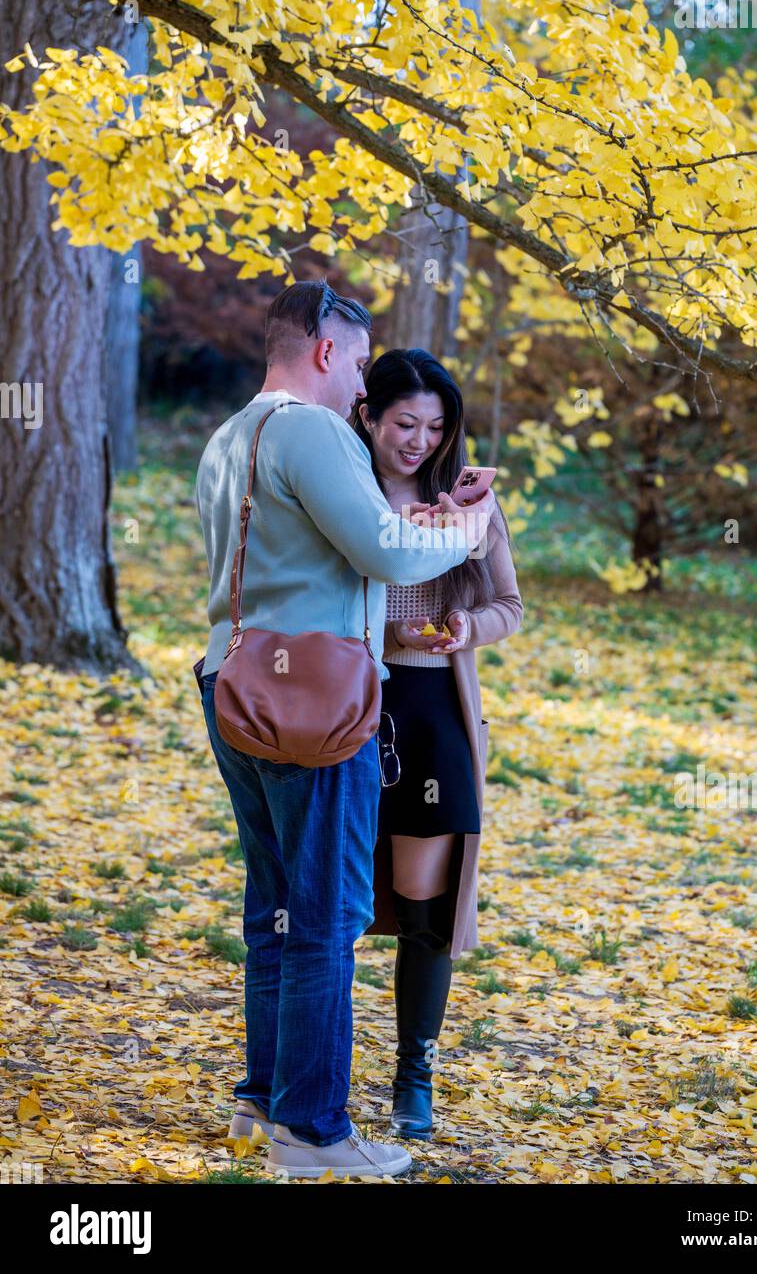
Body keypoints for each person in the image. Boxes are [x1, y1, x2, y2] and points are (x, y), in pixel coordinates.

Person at [193, 281, 494, 1179]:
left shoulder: (229, 434)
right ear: (326, 351)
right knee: (328, 915)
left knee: (276, 904)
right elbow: (388, 553)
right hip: (313, 700)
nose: (366, 385)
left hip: (231, 681)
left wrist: (429, 515)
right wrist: (469, 527)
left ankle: (262, 1099)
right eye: (361, 363)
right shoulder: (313, 427)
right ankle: (315, 1133)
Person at [352, 348, 523, 1138]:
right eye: (404, 424)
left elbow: (511, 606)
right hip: (353, 697)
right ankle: (300, 1074)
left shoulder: (471, 504)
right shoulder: (345, 491)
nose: (419, 440)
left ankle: (412, 1078)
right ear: (369, 417)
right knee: (332, 897)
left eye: (434, 426)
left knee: (424, 901)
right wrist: (384, 626)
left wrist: (463, 628)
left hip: (433, 709)